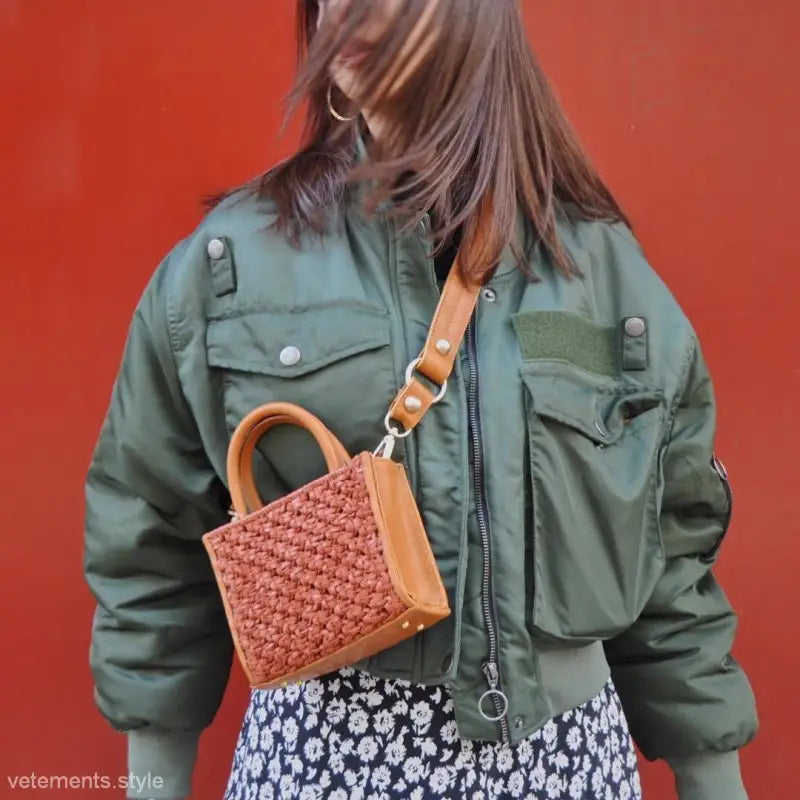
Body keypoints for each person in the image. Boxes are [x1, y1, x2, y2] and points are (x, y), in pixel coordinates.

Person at [82, 1, 758, 798]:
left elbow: (669, 556)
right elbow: (150, 540)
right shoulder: (234, 267)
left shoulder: (600, 276)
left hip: (566, 767)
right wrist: (152, 783)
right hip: (322, 769)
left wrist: (713, 779)